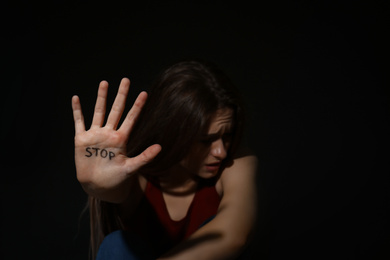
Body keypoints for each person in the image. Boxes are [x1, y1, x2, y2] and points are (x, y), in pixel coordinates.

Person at [72, 60, 258, 260]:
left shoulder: (236, 163)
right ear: (171, 132)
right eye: (205, 141)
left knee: (216, 235)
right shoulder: (139, 175)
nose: (221, 151)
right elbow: (114, 190)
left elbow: (233, 236)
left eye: (227, 135)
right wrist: (95, 187)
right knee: (115, 245)